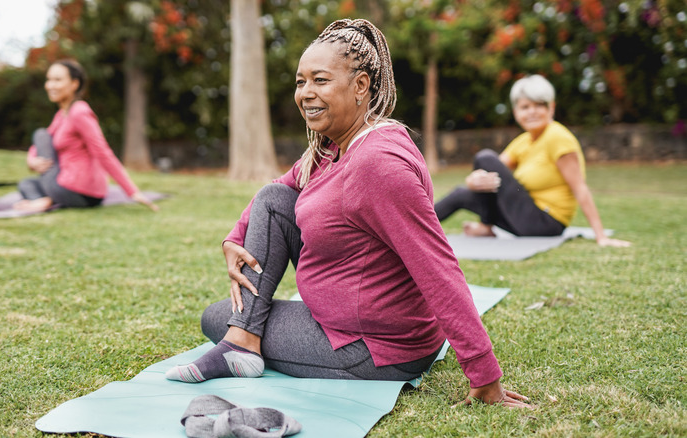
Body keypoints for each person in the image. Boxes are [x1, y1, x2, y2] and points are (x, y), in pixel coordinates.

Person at [166, 19, 531, 409]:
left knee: (215, 317)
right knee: (273, 199)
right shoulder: (333, 147)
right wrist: (234, 237)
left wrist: (484, 375)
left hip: (375, 347)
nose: (306, 93)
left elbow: (437, 266)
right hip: (348, 323)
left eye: (320, 80)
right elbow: (279, 189)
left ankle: (241, 340)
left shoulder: (377, 164)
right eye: (300, 81)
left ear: (360, 86)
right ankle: (243, 340)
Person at [434, 74, 630, 247]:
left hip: (545, 221)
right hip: (522, 216)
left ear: (551, 107)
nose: (532, 112)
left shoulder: (558, 137)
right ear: (516, 112)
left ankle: (486, 226)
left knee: (484, 156)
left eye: (539, 105)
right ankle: (411, 232)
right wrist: (473, 180)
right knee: (461, 193)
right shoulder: (524, 141)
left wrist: (601, 236)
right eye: (525, 107)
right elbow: (492, 171)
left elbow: (580, 187)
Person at [14, 59, 158, 213]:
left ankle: (45, 200)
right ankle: (45, 200)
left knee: (40, 134)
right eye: (49, 80)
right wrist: (31, 160)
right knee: (26, 184)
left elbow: (103, 152)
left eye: (57, 80)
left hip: (78, 190)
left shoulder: (79, 112)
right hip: (68, 187)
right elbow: (41, 143)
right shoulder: (61, 115)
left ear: (74, 84)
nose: (50, 85)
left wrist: (132, 191)